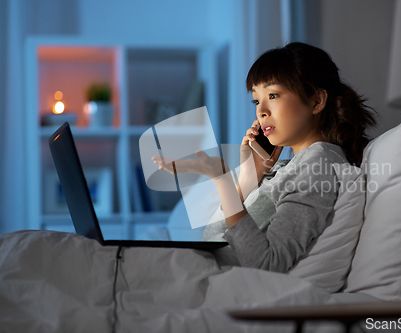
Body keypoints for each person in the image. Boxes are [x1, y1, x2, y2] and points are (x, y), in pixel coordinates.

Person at [153, 42, 376, 273]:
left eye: (273, 95)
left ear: (316, 101)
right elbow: (212, 239)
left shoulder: (317, 166)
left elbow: (267, 262)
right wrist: (251, 176)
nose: (261, 111)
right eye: (256, 100)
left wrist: (223, 181)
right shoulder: (289, 167)